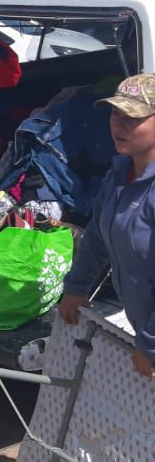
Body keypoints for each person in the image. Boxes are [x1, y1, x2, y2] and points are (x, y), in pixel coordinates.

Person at [59, 73, 155, 378]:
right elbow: (98, 237)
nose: (119, 124)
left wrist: (151, 344)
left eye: (133, 117)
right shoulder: (119, 175)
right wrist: (77, 287)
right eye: (116, 113)